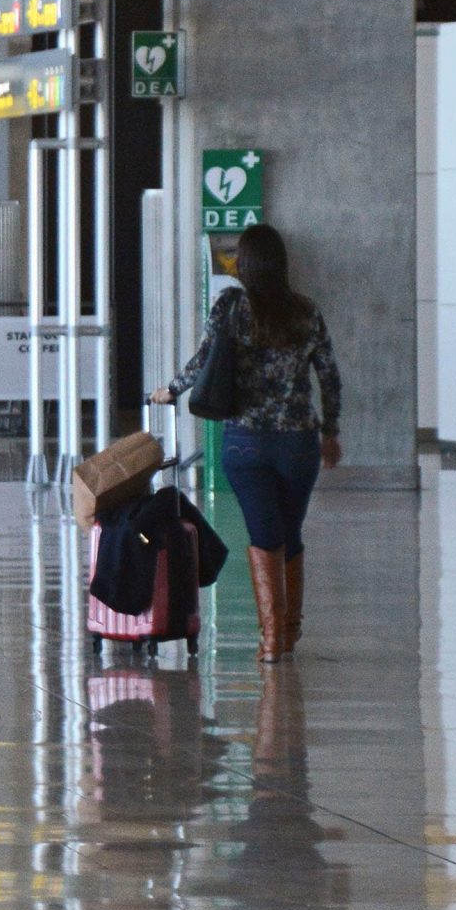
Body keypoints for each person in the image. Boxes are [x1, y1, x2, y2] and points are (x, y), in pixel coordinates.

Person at [151, 223, 342, 662]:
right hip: (298, 444)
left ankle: (274, 639)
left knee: (264, 533)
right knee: (289, 532)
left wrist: (172, 389)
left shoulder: (231, 307)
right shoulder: (306, 312)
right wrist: (330, 430)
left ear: (245, 264)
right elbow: (329, 376)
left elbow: (204, 360)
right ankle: (286, 632)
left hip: (245, 443)